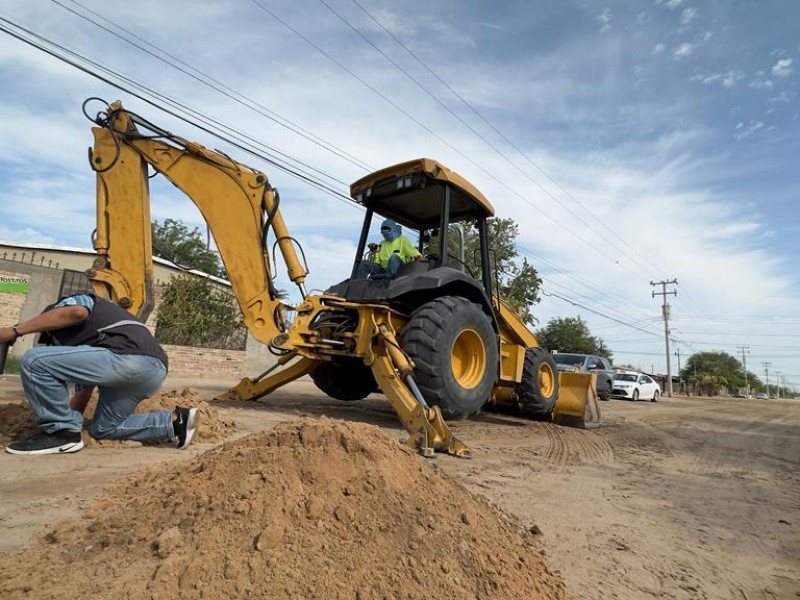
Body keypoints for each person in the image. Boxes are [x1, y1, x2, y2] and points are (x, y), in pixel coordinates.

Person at [0, 293, 198, 455]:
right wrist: (69, 422)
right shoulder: (92, 340)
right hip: (153, 369)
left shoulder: (72, 302)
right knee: (104, 428)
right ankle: (176, 421)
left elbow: (77, 312)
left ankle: (62, 435)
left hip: (127, 358)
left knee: (34, 360)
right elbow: (84, 388)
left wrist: (17, 330)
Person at [355, 218, 421, 280]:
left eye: (387, 229)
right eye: (383, 231)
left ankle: (389, 278)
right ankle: (357, 284)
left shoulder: (403, 240)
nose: (384, 233)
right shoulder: (382, 244)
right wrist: (374, 251)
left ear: (393, 229)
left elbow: (416, 255)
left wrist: (418, 270)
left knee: (394, 257)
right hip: (384, 271)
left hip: (400, 270)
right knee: (364, 263)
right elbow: (377, 262)